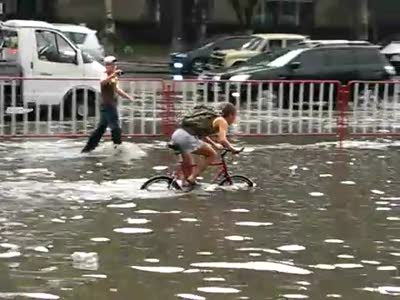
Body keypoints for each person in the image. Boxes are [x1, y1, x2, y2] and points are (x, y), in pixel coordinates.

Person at [170, 103, 240, 186]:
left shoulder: (210, 119)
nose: (235, 120)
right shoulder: (222, 121)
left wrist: (214, 144)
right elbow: (222, 139)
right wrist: (233, 149)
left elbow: (203, 135)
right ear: (231, 115)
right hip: (186, 137)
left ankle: (185, 187)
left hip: (177, 135)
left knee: (188, 170)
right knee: (212, 154)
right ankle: (193, 177)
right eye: (235, 116)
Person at [82, 56, 134, 153]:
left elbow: (117, 89)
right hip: (108, 105)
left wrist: (128, 97)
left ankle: (89, 148)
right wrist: (113, 74)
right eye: (111, 65)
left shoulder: (113, 77)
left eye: (114, 65)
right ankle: (118, 147)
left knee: (101, 128)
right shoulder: (105, 75)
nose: (114, 67)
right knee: (115, 127)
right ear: (107, 66)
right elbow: (102, 83)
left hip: (110, 105)